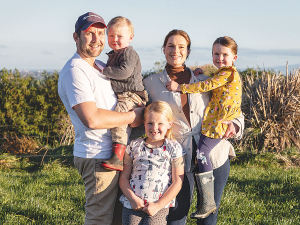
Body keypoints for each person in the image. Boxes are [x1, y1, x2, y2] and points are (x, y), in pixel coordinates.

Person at [142, 30, 244, 225]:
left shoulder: (205, 79)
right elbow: (144, 120)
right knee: (176, 217)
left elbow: (234, 107)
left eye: (182, 47)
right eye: (171, 46)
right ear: (164, 49)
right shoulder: (150, 83)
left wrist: (235, 125)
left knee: (208, 216)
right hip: (178, 158)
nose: (176, 51)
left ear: (188, 51)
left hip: (215, 153)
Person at [57, 12, 144, 225]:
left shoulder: (100, 67)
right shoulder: (75, 71)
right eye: (89, 34)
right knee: (99, 219)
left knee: (116, 219)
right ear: (76, 37)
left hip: (113, 155)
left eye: (100, 33)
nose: (97, 39)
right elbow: (92, 119)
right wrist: (132, 116)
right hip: (98, 157)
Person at [166, 36, 242, 219]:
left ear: (234, 57)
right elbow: (211, 82)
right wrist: (199, 71)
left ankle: (207, 200)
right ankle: (206, 202)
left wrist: (180, 87)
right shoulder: (219, 74)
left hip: (217, 127)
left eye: (225, 54)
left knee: (202, 153)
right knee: (177, 215)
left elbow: (208, 85)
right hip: (181, 154)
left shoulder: (226, 74)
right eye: (216, 54)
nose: (219, 58)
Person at [119, 101, 185, 225]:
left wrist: (158, 205)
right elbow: (123, 177)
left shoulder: (174, 148)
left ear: (169, 124)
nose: (154, 128)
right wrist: (132, 199)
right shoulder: (134, 146)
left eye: (160, 123)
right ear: (144, 123)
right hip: (132, 205)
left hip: (159, 207)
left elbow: (178, 182)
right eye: (150, 123)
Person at [100, 16, 147, 172]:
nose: (115, 39)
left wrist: (104, 71)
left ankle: (118, 156)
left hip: (133, 95)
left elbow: (124, 72)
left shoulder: (128, 53)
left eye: (120, 36)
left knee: (120, 115)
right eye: (111, 36)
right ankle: (128, 155)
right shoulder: (114, 55)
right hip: (125, 94)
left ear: (130, 38)